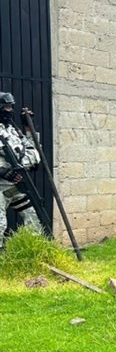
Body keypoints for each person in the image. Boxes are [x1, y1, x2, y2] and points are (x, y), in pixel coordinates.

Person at [0, 92, 42, 248]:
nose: (9, 110)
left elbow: (31, 148)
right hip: (1, 187)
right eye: (5, 107)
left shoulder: (12, 130)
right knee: (0, 225)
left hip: (16, 185)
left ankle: (32, 252)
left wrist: (28, 127)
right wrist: (1, 171)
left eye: (11, 107)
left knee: (34, 219)